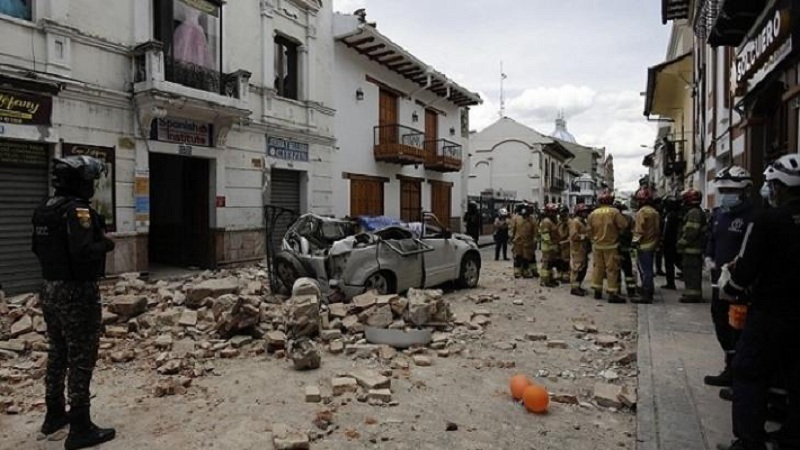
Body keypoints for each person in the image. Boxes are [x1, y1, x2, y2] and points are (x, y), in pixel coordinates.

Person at [31, 156, 117, 449]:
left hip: (49, 288)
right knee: (81, 355)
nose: (92, 186)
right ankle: (80, 426)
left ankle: (54, 414)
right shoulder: (78, 210)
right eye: (90, 181)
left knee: (58, 350)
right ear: (80, 182)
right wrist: (106, 244)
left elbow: (36, 248)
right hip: (77, 291)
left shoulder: (46, 209)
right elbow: (83, 251)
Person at [719, 154, 800, 450]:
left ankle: (749, 441)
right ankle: (791, 437)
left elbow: (746, 269)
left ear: (778, 187)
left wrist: (731, 287)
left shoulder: (767, 220)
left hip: (770, 312)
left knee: (749, 372)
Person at [703, 166, 758, 389]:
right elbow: (713, 239)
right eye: (723, 190)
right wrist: (709, 257)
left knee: (740, 327)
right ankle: (730, 366)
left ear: (744, 191)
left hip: (741, 284)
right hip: (720, 281)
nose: (726, 195)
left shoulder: (754, 217)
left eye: (731, 191)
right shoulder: (719, 215)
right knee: (721, 322)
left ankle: (740, 375)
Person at [587, 191, 629, 303]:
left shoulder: (593, 213)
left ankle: (597, 291)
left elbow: (589, 230)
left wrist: (594, 239)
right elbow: (624, 225)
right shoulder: (614, 212)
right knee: (612, 269)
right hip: (611, 246)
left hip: (597, 246)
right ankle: (612, 293)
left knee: (598, 268)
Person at [677, 188, 707, 303]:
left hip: (692, 249)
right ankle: (690, 292)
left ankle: (693, 295)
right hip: (692, 249)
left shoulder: (694, 213)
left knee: (692, 273)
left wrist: (680, 243)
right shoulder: (696, 211)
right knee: (689, 272)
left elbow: (691, 232)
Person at [631, 187, 661, 303]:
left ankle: (646, 295)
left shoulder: (642, 212)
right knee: (649, 270)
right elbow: (657, 229)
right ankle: (649, 291)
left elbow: (639, 230)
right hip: (652, 242)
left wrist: (634, 242)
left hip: (644, 245)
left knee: (645, 271)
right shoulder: (654, 212)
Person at [615, 201, 638, 299]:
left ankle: (617, 290)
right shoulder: (628, 218)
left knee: (616, 271)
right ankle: (631, 291)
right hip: (625, 248)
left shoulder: (611, 219)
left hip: (616, 248)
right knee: (628, 271)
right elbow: (634, 230)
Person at [510, 203, 538, 278]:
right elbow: (512, 229)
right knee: (518, 257)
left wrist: (535, 240)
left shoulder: (532, 219)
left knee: (528, 257)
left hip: (528, 242)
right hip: (518, 241)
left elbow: (535, 230)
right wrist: (511, 238)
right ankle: (517, 271)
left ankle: (527, 271)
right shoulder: (516, 218)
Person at [660, 195, 682, 289]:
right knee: (675, 262)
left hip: (670, 243)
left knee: (669, 263)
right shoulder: (673, 214)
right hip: (673, 242)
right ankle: (671, 282)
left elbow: (668, 231)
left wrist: (663, 240)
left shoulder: (671, 216)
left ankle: (670, 283)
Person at [569, 203, 590, 297]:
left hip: (583, 248)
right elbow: (573, 235)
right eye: (584, 211)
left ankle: (578, 286)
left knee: (583, 267)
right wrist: (584, 237)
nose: (586, 213)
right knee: (577, 267)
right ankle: (574, 288)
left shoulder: (582, 221)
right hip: (577, 248)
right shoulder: (575, 222)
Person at [538, 203, 560, 287]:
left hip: (553, 246)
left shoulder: (553, 221)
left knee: (551, 263)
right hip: (547, 247)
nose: (555, 213)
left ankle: (550, 278)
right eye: (553, 212)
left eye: (555, 212)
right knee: (546, 264)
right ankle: (544, 280)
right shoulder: (546, 221)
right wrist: (550, 244)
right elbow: (545, 235)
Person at [556, 205, 572, 283]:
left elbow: (571, 235)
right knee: (558, 259)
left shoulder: (570, 223)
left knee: (566, 260)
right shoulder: (559, 223)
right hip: (559, 244)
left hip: (567, 245)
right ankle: (560, 273)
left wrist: (565, 242)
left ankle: (566, 274)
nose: (562, 216)